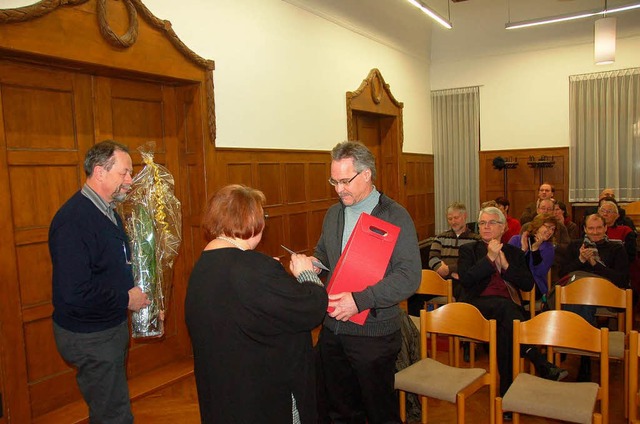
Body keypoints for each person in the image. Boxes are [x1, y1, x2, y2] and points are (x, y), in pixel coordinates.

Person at [185, 184, 328, 423]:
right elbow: (312, 308)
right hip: (263, 397)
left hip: (223, 393)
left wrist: (266, 272)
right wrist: (306, 275)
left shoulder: (203, 266)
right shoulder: (255, 269)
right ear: (252, 220)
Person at [313, 141, 421, 424]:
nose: (338, 189)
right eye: (333, 181)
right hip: (333, 329)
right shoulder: (334, 213)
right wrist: (312, 265)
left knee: (379, 414)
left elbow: (409, 277)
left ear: (367, 174)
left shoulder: (395, 215)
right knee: (338, 412)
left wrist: (359, 300)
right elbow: (325, 255)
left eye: (345, 181)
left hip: (373, 335)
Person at [49, 140, 151, 424]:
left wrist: (145, 302)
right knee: (113, 415)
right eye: (124, 173)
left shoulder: (107, 211)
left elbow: (116, 267)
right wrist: (125, 299)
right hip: (90, 335)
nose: (130, 181)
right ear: (99, 172)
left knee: (111, 408)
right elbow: (74, 291)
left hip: (107, 328)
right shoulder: (73, 221)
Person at [458, 206, 567, 407]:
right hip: (476, 306)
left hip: (506, 312)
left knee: (505, 332)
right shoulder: (468, 250)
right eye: (482, 223)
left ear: (503, 227)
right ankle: (537, 359)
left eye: (492, 222)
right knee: (507, 310)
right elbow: (466, 280)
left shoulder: (514, 252)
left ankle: (505, 398)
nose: (486, 227)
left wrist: (506, 266)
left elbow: (528, 284)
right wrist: (490, 258)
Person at [558, 213, 629, 381]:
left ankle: (575, 348)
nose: (595, 232)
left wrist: (594, 265)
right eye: (591, 228)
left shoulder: (616, 248)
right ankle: (585, 355)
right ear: (584, 229)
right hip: (579, 295)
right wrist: (581, 259)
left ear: (605, 228)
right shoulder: (575, 246)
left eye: (599, 228)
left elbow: (621, 279)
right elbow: (562, 273)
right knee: (583, 301)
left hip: (607, 295)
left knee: (584, 299)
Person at [406, 202, 479, 312]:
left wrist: (449, 269)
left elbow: (472, 262)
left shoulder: (476, 239)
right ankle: (418, 324)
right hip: (439, 279)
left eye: (456, 218)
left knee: (465, 294)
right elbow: (432, 258)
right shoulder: (440, 237)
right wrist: (439, 267)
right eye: (450, 219)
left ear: (464, 216)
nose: (453, 222)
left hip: (460, 280)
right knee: (413, 295)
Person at [508, 213, 559, 299]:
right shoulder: (516, 240)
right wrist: (523, 250)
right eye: (547, 227)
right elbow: (509, 264)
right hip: (514, 281)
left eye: (552, 229)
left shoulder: (549, 248)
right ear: (537, 225)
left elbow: (540, 273)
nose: (550, 231)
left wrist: (535, 250)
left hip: (535, 285)